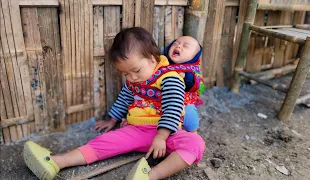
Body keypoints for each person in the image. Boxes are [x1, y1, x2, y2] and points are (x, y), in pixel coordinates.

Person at [23, 27, 205, 180]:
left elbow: (173, 107)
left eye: (135, 71)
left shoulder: (170, 78)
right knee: (103, 143)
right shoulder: (134, 80)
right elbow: (125, 97)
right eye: (125, 74)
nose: (131, 77)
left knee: (195, 143)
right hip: (137, 130)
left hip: (166, 133)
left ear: (152, 59)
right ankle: (56, 162)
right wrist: (112, 120)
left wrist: (161, 137)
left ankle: (149, 176)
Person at [164, 36, 204, 132]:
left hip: (185, 101)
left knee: (190, 111)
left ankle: (193, 131)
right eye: (176, 43)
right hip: (166, 100)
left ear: (194, 56)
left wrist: (186, 76)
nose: (178, 46)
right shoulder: (163, 64)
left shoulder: (192, 69)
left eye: (185, 46)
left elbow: (196, 83)